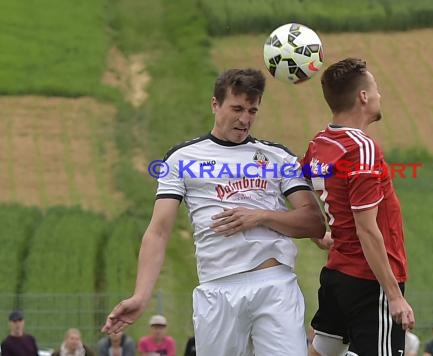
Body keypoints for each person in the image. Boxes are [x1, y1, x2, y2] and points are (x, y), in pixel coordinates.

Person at [101, 68, 326, 356]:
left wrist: (259, 216)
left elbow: (314, 222)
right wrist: (141, 296)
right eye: (237, 108)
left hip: (274, 286)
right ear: (215, 105)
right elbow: (158, 231)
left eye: (252, 110)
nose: (244, 119)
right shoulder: (182, 159)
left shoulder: (278, 157)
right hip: (218, 290)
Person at [300, 57, 415, 356]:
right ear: (363, 96)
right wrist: (393, 296)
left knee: (323, 349)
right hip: (369, 280)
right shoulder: (362, 147)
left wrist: (318, 234)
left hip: (338, 275)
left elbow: (299, 188)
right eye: (375, 89)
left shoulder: (320, 142)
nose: (380, 95)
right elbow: (367, 228)